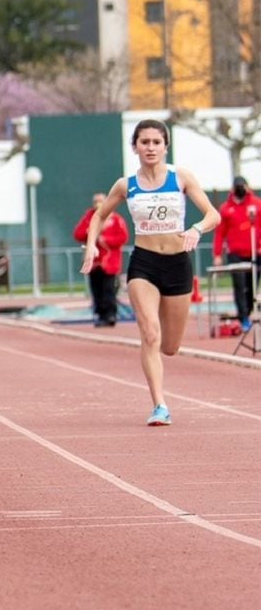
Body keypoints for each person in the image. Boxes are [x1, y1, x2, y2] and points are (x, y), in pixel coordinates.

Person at [81, 118, 219, 427]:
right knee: (150, 333)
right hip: (144, 262)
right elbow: (99, 216)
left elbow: (213, 214)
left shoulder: (180, 177)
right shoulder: (125, 184)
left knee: (170, 346)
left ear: (165, 146)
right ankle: (159, 405)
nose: (151, 148)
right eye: (145, 142)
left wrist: (196, 228)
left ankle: (161, 383)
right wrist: (91, 245)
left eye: (156, 142)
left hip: (177, 263)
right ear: (135, 147)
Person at [212, 176, 261, 332]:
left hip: (255, 253)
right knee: (239, 285)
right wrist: (217, 254)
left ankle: (248, 312)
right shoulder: (226, 208)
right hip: (235, 253)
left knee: (252, 285)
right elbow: (220, 233)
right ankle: (243, 317)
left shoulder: (256, 204)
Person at [72, 192, 129, 327]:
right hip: (93, 262)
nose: (98, 204)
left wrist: (104, 239)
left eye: (101, 201)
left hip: (109, 262)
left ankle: (110, 315)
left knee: (108, 289)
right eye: (95, 201)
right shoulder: (89, 218)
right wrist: (92, 232)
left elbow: (122, 238)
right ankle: (100, 314)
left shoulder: (116, 219)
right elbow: (78, 233)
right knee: (96, 289)